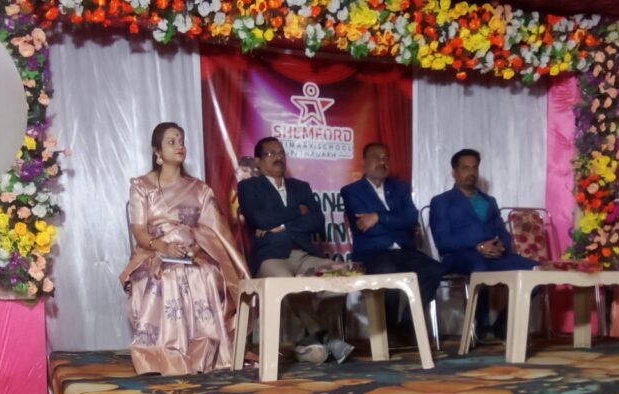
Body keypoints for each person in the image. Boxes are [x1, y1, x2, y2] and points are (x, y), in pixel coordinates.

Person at [120, 122, 249, 376]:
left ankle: (202, 355)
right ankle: (163, 355)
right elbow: (140, 232)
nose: (179, 146)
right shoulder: (141, 186)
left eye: (181, 141)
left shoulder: (200, 189)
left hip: (193, 254)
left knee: (206, 274)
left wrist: (195, 245)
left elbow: (214, 231)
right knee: (168, 276)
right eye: (171, 142)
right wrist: (164, 247)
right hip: (153, 251)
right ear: (157, 152)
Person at [237, 136, 353, 364]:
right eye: (271, 153)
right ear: (258, 162)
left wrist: (281, 227)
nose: (278, 157)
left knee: (344, 275)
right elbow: (260, 218)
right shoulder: (248, 187)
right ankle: (326, 337)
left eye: (281, 153)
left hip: (304, 254)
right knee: (289, 283)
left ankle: (309, 339)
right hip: (271, 257)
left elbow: (317, 221)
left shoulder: (301, 187)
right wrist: (297, 212)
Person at [340, 142, 445, 340]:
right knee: (388, 272)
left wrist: (378, 217)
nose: (382, 162)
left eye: (385, 158)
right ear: (363, 163)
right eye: (376, 157)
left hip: (405, 250)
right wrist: (397, 221)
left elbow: (411, 217)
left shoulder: (400, 187)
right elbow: (366, 228)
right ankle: (388, 330)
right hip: (373, 252)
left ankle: (406, 323)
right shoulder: (351, 191)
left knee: (434, 269)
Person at [429, 148, 536, 336]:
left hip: (493, 255)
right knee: (480, 266)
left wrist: (501, 245)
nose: (471, 172)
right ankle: (479, 326)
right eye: (465, 168)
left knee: (536, 271)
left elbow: (502, 232)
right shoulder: (442, 202)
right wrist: (478, 246)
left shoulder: (489, 201)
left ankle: (501, 324)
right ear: (454, 172)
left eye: (474, 168)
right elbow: (443, 241)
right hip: (458, 256)